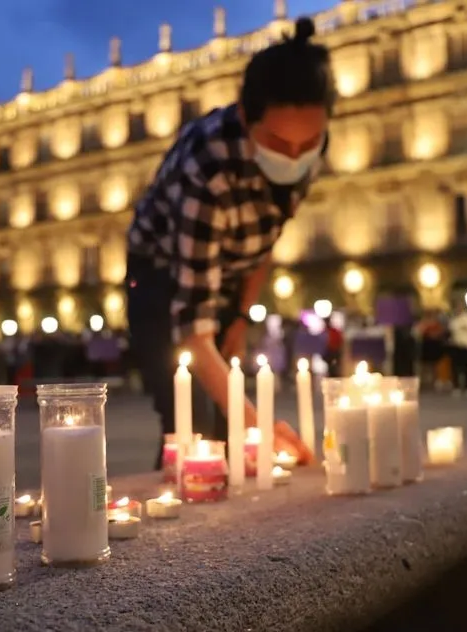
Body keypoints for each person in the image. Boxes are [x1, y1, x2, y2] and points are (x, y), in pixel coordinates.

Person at [126, 17, 328, 468]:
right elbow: (193, 333)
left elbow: (268, 235)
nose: (295, 157)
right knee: (191, 418)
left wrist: (239, 315)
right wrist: (260, 428)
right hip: (161, 276)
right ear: (244, 116)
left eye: (309, 143)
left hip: (231, 274)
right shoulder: (207, 167)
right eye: (278, 142)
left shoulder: (310, 147)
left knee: (227, 418)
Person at [447, 305, 467, 397]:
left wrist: (465, 325)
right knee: (455, 368)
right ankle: (456, 387)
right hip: (456, 345)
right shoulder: (454, 319)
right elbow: (452, 329)